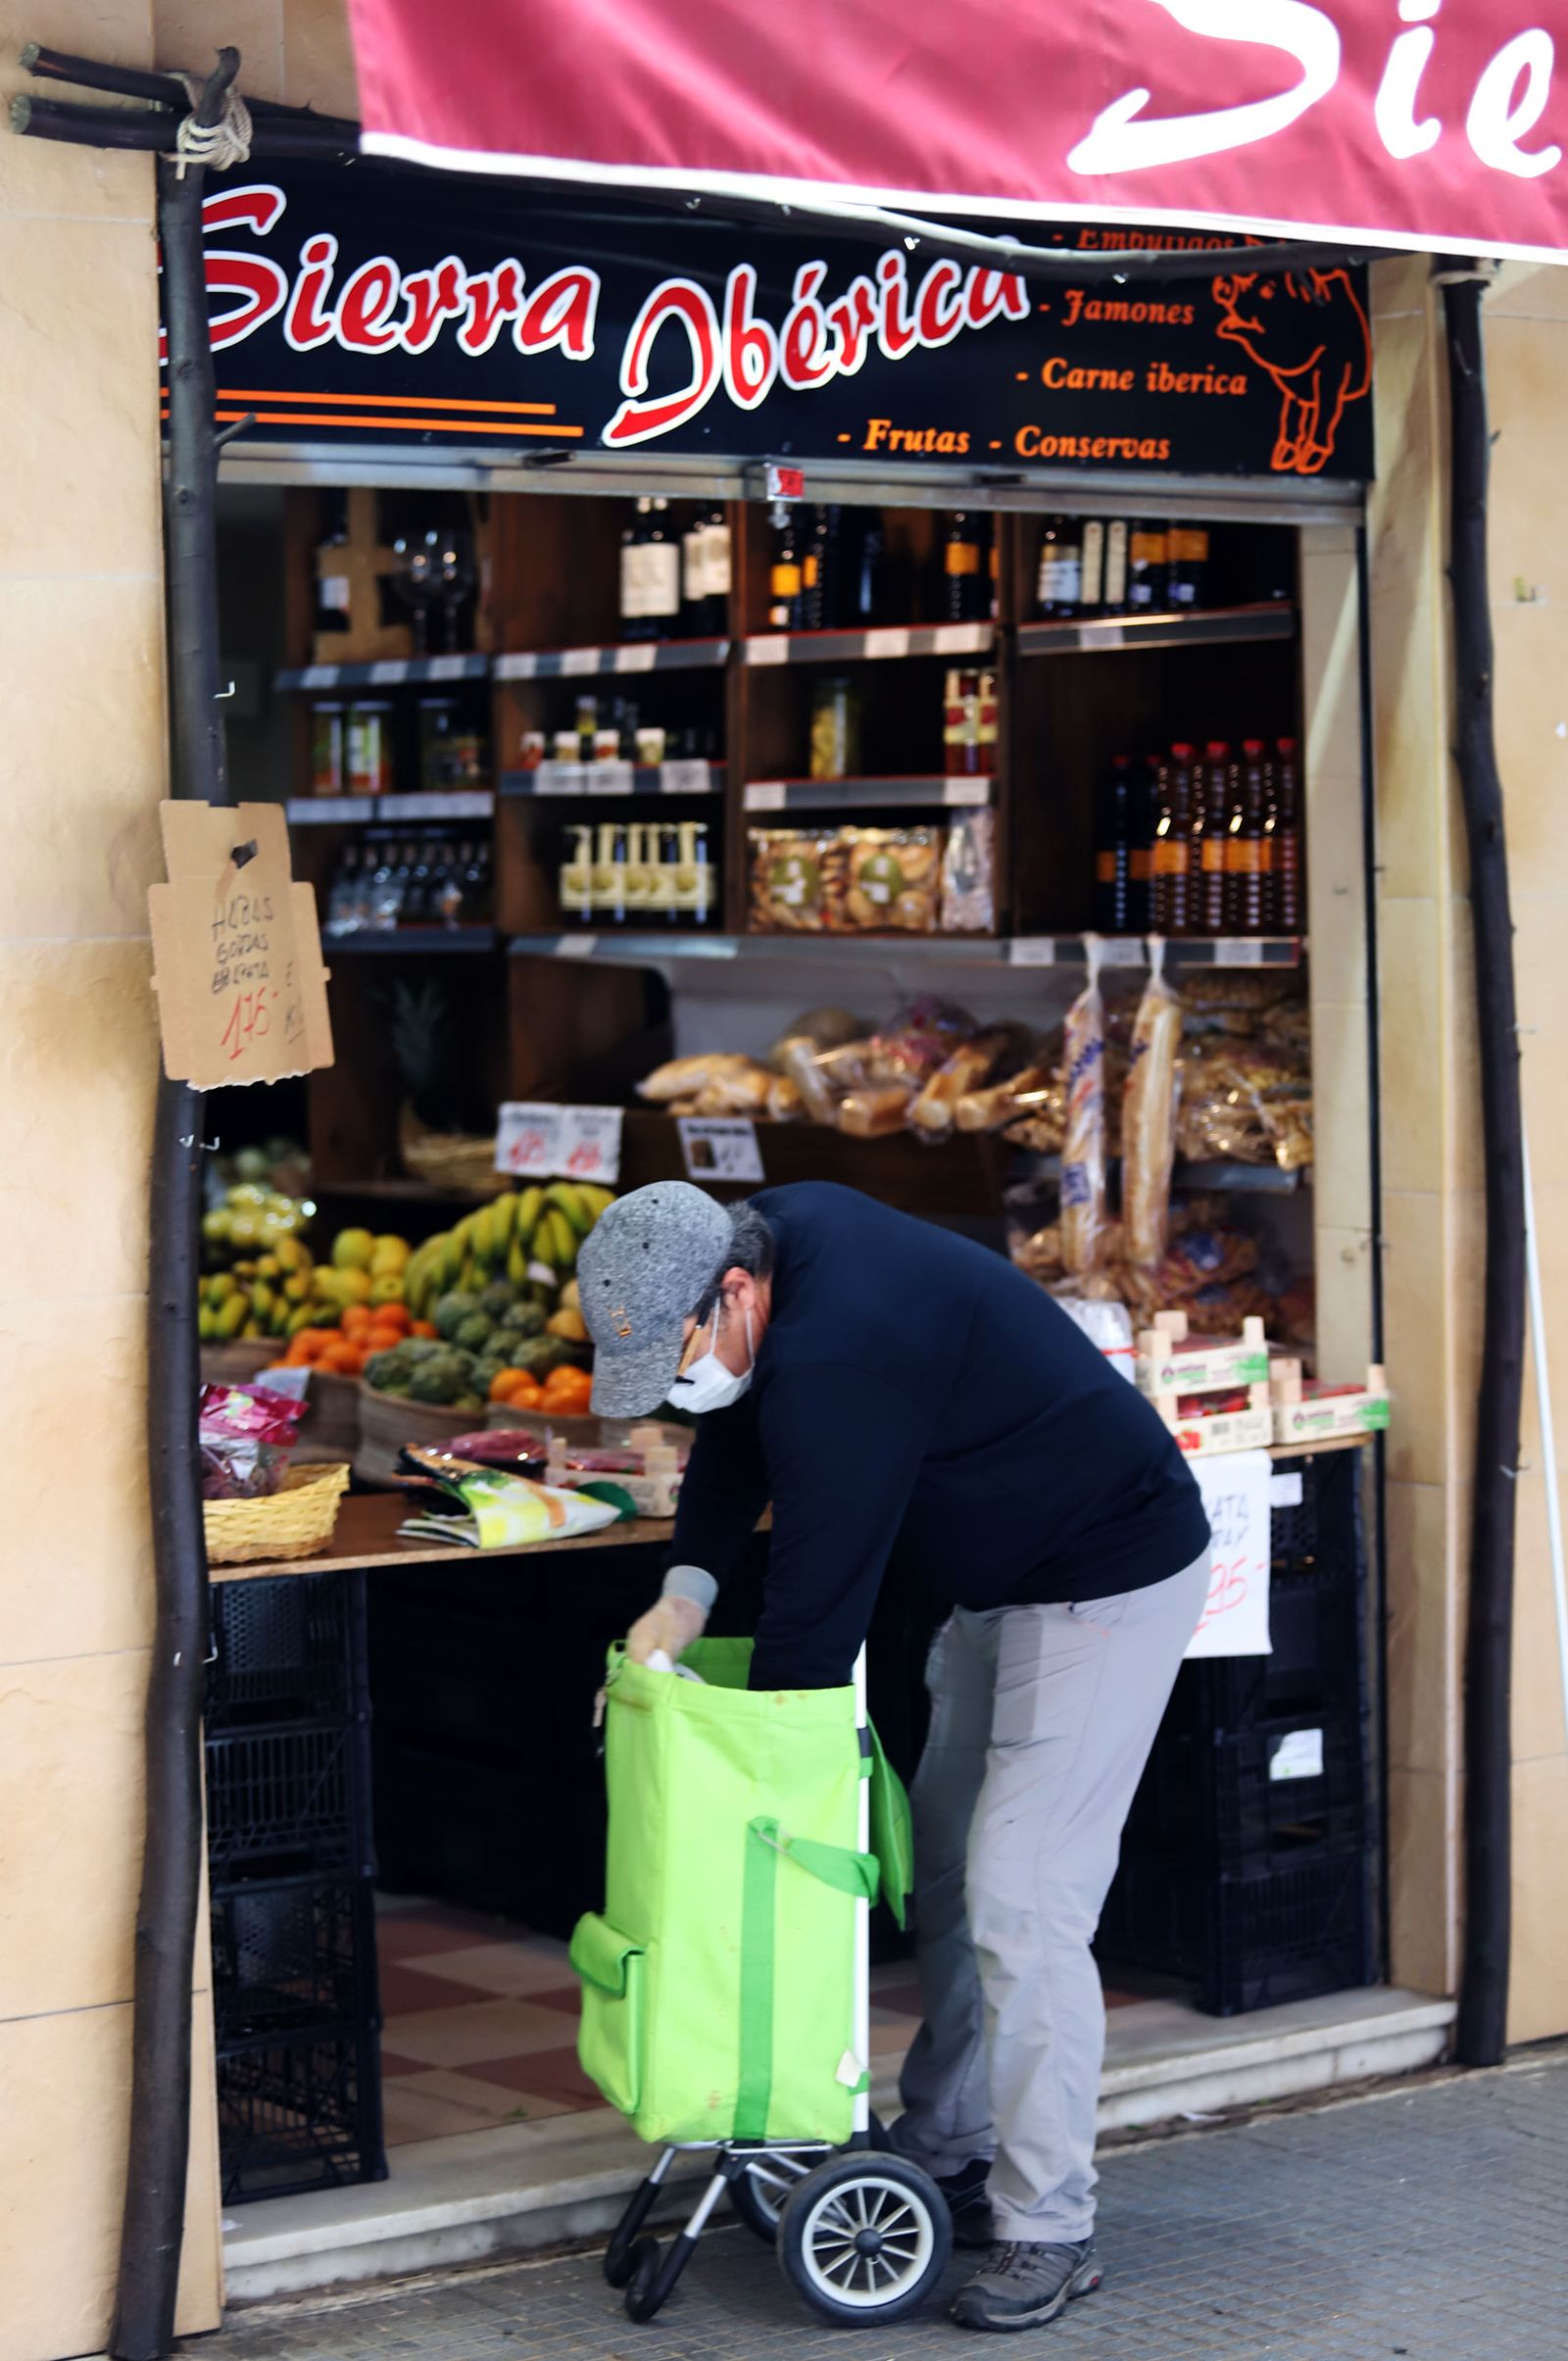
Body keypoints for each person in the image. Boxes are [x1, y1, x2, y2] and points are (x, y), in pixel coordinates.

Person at [579, 1179, 1210, 2333]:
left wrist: (764, 1780)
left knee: (1025, 1899)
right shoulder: (770, 1248)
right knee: (954, 1876)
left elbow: (822, 1607)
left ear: (732, 1289)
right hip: (996, 1584)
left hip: (1108, 1578)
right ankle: (951, 2145)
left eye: (676, 1359)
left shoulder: (841, 1355)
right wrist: (681, 1600)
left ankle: (1049, 2226)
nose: (676, 1393)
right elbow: (730, 1437)